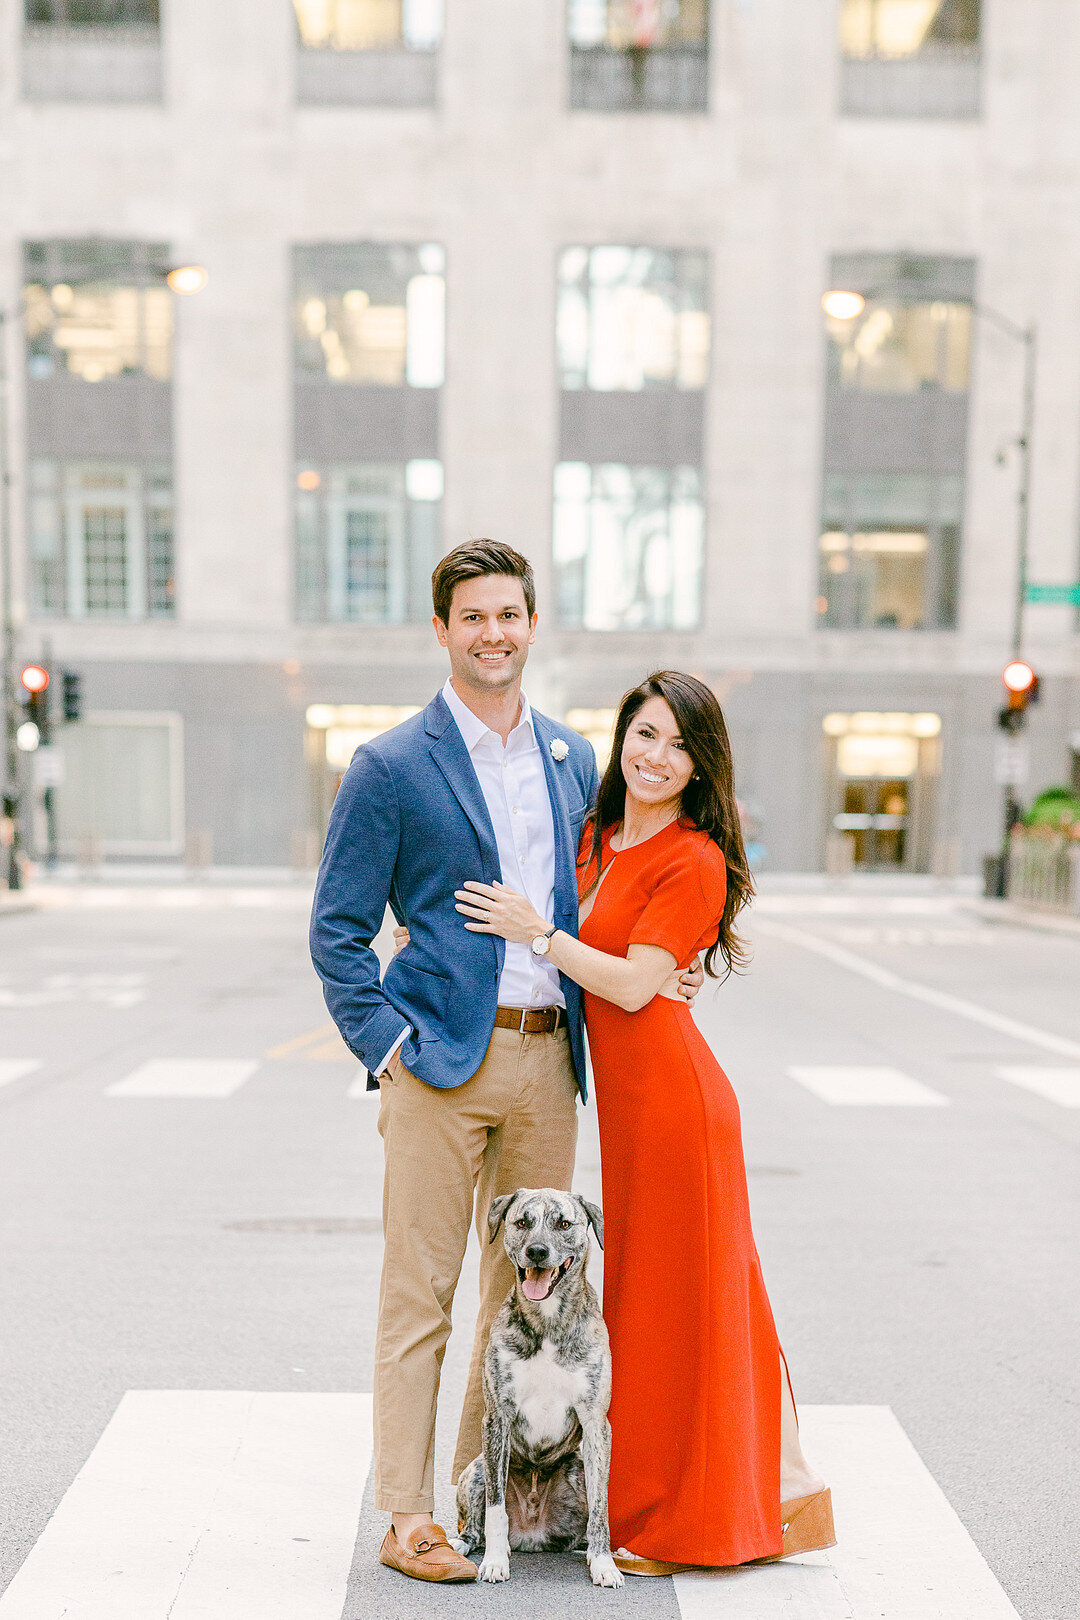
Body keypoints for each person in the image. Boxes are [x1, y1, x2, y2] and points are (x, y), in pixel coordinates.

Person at [309, 544, 701, 1585]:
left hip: (546, 1066)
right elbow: (338, 931)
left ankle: (483, 1504)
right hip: (438, 1065)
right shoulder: (391, 767)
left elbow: (609, 903)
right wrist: (389, 1044)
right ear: (442, 630)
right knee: (420, 1295)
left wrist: (663, 973)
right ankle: (407, 1515)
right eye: (472, 616)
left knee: (520, 1300)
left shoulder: (577, 761)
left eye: (510, 615)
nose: (493, 633)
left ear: (534, 625)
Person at [452, 669, 834, 1573]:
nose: (657, 758)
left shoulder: (694, 857)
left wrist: (535, 931)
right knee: (646, 1311)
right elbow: (626, 965)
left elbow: (626, 981)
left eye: (680, 746)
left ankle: (689, 1520)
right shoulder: (597, 836)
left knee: (681, 1314)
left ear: (704, 768)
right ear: (621, 738)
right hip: (626, 1111)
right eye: (645, 735)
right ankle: (645, 1499)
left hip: (678, 1111)